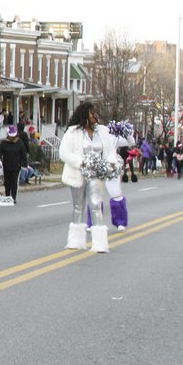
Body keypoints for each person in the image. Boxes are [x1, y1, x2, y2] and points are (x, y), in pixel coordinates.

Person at [58, 102, 121, 253]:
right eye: (92, 113)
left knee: (95, 205)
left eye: (96, 113)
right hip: (78, 173)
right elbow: (64, 153)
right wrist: (81, 163)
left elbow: (110, 151)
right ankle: (75, 241)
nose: (95, 116)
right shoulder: (73, 132)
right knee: (78, 206)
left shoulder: (103, 132)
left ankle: (100, 243)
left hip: (96, 174)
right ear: (85, 114)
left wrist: (111, 164)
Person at [0, 125, 28, 204]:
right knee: (7, 182)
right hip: (7, 165)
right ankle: (8, 196)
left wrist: (24, 163)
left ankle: (13, 198)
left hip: (15, 166)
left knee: (14, 182)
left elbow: (23, 154)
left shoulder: (19, 142)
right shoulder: (4, 143)